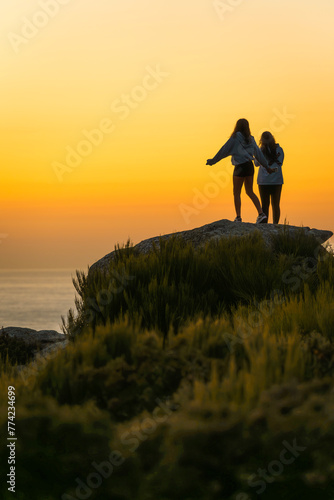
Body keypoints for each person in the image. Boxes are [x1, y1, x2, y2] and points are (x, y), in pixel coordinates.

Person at [206, 119, 273, 223]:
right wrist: (267, 167)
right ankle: (261, 214)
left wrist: (213, 161)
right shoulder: (251, 139)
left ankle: (238, 217)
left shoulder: (235, 138)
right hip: (249, 166)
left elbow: (224, 150)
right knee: (250, 191)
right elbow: (259, 154)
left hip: (240, 167)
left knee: (236, 192)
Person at [255, 131, 284, 224]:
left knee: (265, 205)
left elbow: (256, 163)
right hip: (277, 180)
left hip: (263, 180)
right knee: (276, 204)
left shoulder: (260, 150)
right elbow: (280, 163)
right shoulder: (279, 150)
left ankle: (265, 225)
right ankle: (275, 224)